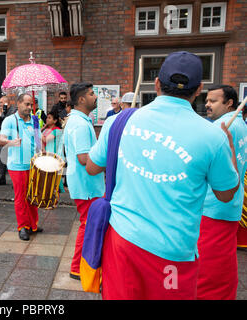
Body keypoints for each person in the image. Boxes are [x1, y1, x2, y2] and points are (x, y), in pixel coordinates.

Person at [86, 51, 239, 300]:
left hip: (122, 241)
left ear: (157, 84)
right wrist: (231, 155)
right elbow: (225, 193)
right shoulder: (213, 136)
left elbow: (92, 167)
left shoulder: (120, 122)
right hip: (174, 250)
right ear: (199, 89)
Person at [196, 85, 247, 300]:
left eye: (213, 101)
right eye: (207, 100)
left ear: (229, 104)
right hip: (231, 204)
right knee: (225, 259)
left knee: (209, 264)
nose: (207, 105)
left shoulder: (222, 127)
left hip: (213, 205)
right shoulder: (241, 125)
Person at [63, 83, 105, 280]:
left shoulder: (81, 120)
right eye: (90, 94)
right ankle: (77, 267)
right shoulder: (79, 124)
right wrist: (107, 163)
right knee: (87, 225)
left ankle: (81, 265)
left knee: (88, 224)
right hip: (86, 184)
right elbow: (83, 158)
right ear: (81, 99)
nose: (94, 97)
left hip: (86, 183)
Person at [0, 93, 42, 241]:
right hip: (17, 165)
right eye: (27, 104)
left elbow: (38, 140)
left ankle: (33, 224)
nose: (30, 107)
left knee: (33, 196)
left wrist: (41, 153)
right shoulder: (10, 121)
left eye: (31, 105)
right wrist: (11, 142)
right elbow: (1, 139)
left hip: (33, 165)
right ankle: (22, 226)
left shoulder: (35, 120)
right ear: (18, 103)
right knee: (21, 197)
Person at [42, 111, 65, 193]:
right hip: (46, 156)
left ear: (55, 121)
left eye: (49, 118)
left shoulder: (57, 130)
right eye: (47, 117)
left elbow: (45, 139)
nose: (47, 120)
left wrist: (38, 132)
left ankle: (55, 197)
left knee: (54, 178)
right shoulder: (46, 130)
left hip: (54, 156)